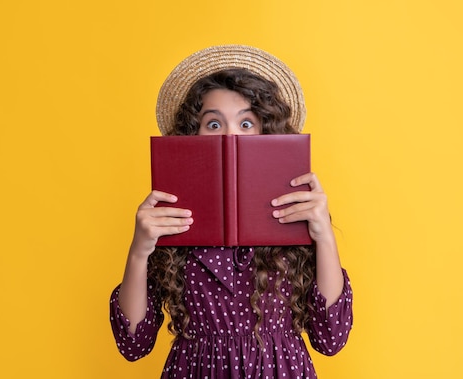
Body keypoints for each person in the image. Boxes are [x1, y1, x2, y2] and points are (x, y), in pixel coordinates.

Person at [110, 45, 353, 378]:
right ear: (191, 135)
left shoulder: (295, 210)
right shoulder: (172, 214)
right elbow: (133, 344)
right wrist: (139, 250)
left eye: (246, 123)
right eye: (213, 124)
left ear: (267, 132)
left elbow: (332, 339)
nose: (229, 135)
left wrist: (323, 234)